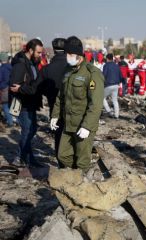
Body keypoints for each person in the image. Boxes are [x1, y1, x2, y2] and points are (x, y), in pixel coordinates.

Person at [50, 36, 104, 171]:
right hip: (68, 123)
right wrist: (55, 115)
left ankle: (81, 183)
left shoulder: (92, 73)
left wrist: (87, 126)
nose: (68, 57)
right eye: (66, 54)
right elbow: (60, 96)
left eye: (71, 54)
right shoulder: (67, 71)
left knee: (82, 160)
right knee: (62, 155)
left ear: (79, 54)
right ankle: (76, 175)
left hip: (83, 124)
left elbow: (96, 104)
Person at [9, 38, 44, 167]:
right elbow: (14, 86)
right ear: (30, 50)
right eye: (38, 52)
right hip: (23, 105)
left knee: (32, 130)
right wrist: (26, 89)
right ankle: (20, 157)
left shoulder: (32, 63)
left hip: (31, 103)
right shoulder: (20, 64)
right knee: (28, 131)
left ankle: (28, 158)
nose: (40, 55)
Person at [40, 38, 68, 163]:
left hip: (53, 104)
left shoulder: (46, 69)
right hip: (72, 106)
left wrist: (51, 95)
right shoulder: (71, 67)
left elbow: (40, 88)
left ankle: (59, 157)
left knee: (57, 132)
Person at [102, 53, 121, 118]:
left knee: (101, 97)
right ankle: (117, 115)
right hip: (116, 85)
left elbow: (103, 75)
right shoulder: (116, 65)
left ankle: (109, 111)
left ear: (107, 59)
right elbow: (120, 75)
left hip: (108, 85)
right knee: (115, 100)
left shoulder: (106, 65)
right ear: (112, 58)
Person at [0, 56, 13, 127]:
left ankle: (10, 122)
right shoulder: (11, 67)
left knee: (5, 106)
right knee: (11, 105)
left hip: (4, 89)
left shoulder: (1, 69)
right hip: (11, 88)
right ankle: (17, 120)